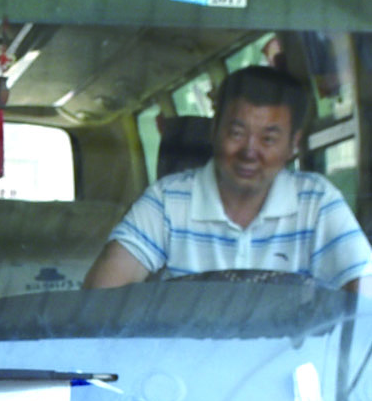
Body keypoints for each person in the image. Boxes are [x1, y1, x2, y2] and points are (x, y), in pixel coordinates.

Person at [85, 64, 370, 290]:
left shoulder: (317, 202)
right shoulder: (168, 201)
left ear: (294, 144)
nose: (249, 151)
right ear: (214, 131)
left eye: (268, 139)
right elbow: (101, 296)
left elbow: (364, 297)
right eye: (236, 133)